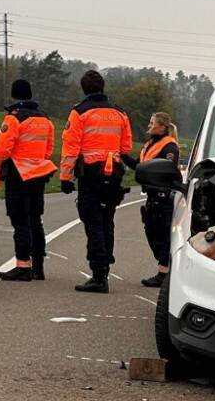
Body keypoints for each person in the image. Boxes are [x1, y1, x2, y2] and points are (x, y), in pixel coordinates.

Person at [60, 70, 132, 293]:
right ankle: (104, 269)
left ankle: (98, 274)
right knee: (107, 220)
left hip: (91, 173)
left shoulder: (79, 112)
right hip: (114, 173)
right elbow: (126, 148)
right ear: (103, 87)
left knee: (93, 222)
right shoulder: (120, 113)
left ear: (83, 89)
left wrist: (65, 177)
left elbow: (71, 149)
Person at [0, 79, 57, 282]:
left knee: (20, 221)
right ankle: (38, 267)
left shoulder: (13, 118)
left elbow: (3, 149)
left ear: (13, 95)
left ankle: (22, 266)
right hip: (38, 175)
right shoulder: (45, 119)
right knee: (35, 220)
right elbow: (49, 147)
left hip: (18, 175)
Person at [123, 112, 180, 288]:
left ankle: (164, 273)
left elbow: (169, 167)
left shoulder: (169, 146)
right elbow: (138, 166)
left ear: (162, 126)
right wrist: (121, 153)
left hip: (164, 196)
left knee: (162, 235)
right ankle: (165, 267)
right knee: (151, 232)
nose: (149, 125)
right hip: (152, 195)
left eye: (152, 122)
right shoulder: (149, 145)